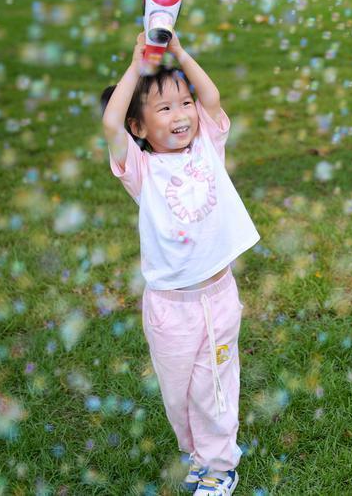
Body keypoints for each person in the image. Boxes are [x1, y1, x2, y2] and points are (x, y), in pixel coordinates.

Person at [101, 33, 259, 496]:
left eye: (184, 103)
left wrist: (181, 56)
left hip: (214, 298)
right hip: (168, 307)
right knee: (178, 394)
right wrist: (137, 65)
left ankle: (219, 466)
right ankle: (197, 453)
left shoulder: (209, 146)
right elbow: (111, 122)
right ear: (140, 127)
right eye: (164, 109)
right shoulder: (140, 170)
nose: (182, 115)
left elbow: (211, 97)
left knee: (211, 389)